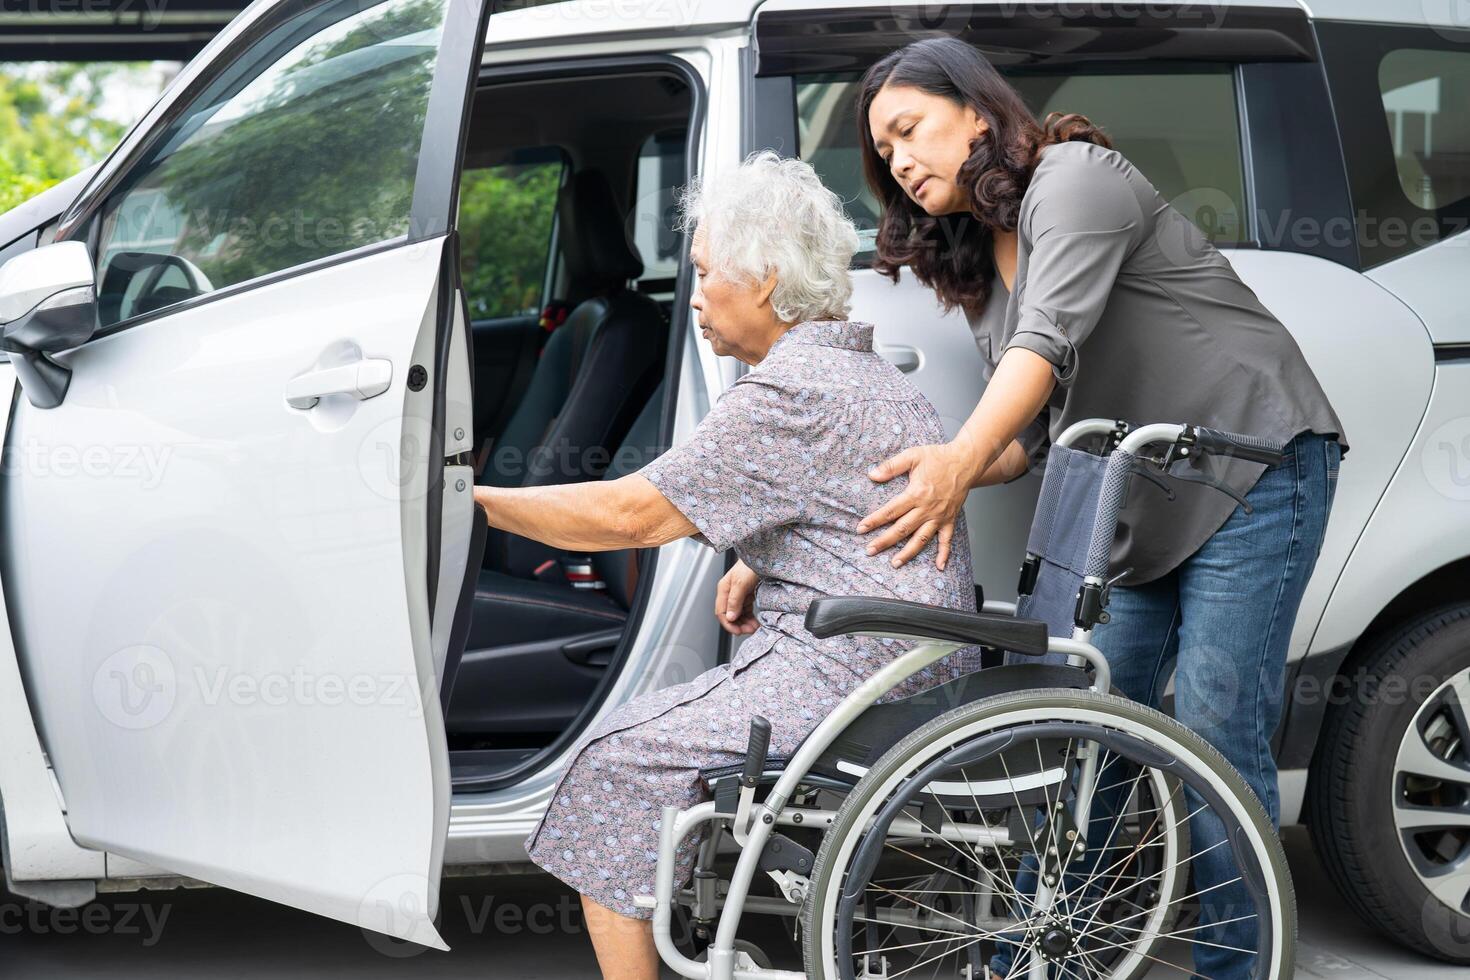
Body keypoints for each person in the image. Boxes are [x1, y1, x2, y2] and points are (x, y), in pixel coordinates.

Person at [852, 37, 1347, 979]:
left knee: (1210, 724)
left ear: (980, 112)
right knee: (1087, 726)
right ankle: (1032, 958)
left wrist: (958, 462)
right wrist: (936, 469)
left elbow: (1047, 345)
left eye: (909, 130)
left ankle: (1239, 967)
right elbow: (1031, 436)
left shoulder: (1074, 179)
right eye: (884, 155)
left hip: (1250, 466)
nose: (899, 162)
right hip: (1143, 505)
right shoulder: (977, 260)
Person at [474, 150, 984, 980]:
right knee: (639, 739)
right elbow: (826, 503)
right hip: (891, 653)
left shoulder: (791, 392)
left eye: (708, 274)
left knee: (613, 762)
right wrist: (757, 559)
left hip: (861, 666)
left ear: (767, 278)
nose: (697, 295)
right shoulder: (848, 367)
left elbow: (634, 517)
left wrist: (478, 502)